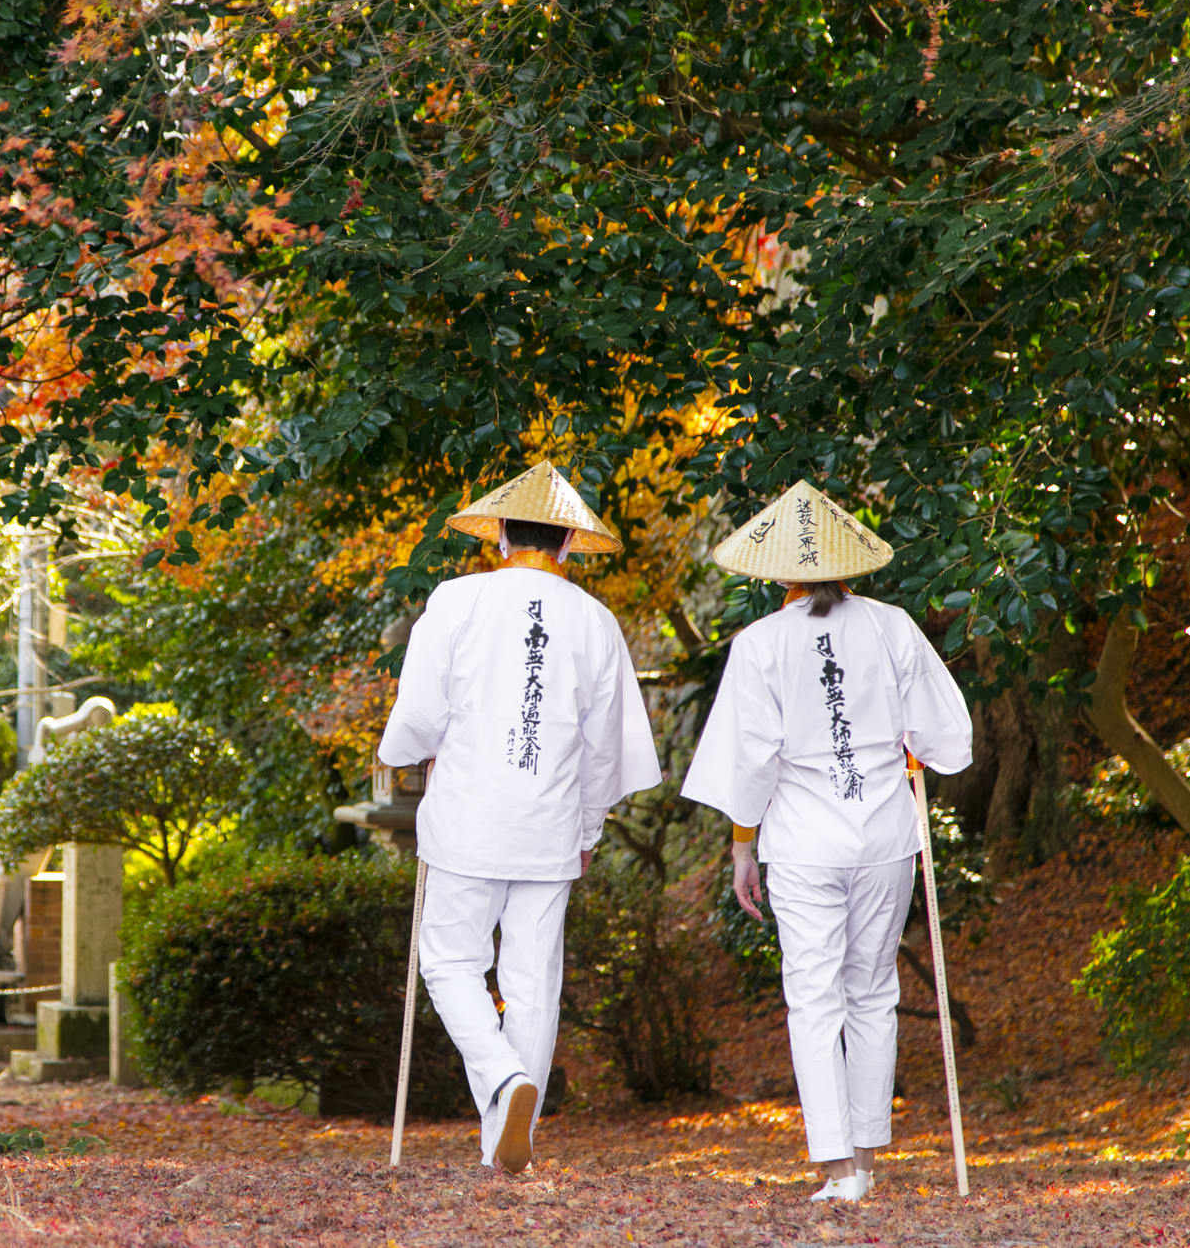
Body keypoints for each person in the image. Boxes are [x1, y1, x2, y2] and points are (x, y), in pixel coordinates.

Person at [682, 480, 973, 1202]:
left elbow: (750, 758)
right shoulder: (891, 625)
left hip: (802, 840)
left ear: (777, 570)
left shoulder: (758, 644)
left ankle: (836, 1165)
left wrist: (740, 844)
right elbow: (944, 739)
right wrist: (910, 748)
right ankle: (866, 1159)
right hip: (881, 832)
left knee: (812, 996)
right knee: (872, 990)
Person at [378, 461, 661, 1173]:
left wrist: (412, 752)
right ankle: (507, 1141)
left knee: (448, 961)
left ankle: (505, 1081)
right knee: (533, 978)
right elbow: (605, 751)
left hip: (467, 815)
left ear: (500, 534)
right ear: (567, 541)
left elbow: (416, 718)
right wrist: (589, 829)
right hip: (550, 824)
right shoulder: (596, 621)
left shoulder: (454, 599)